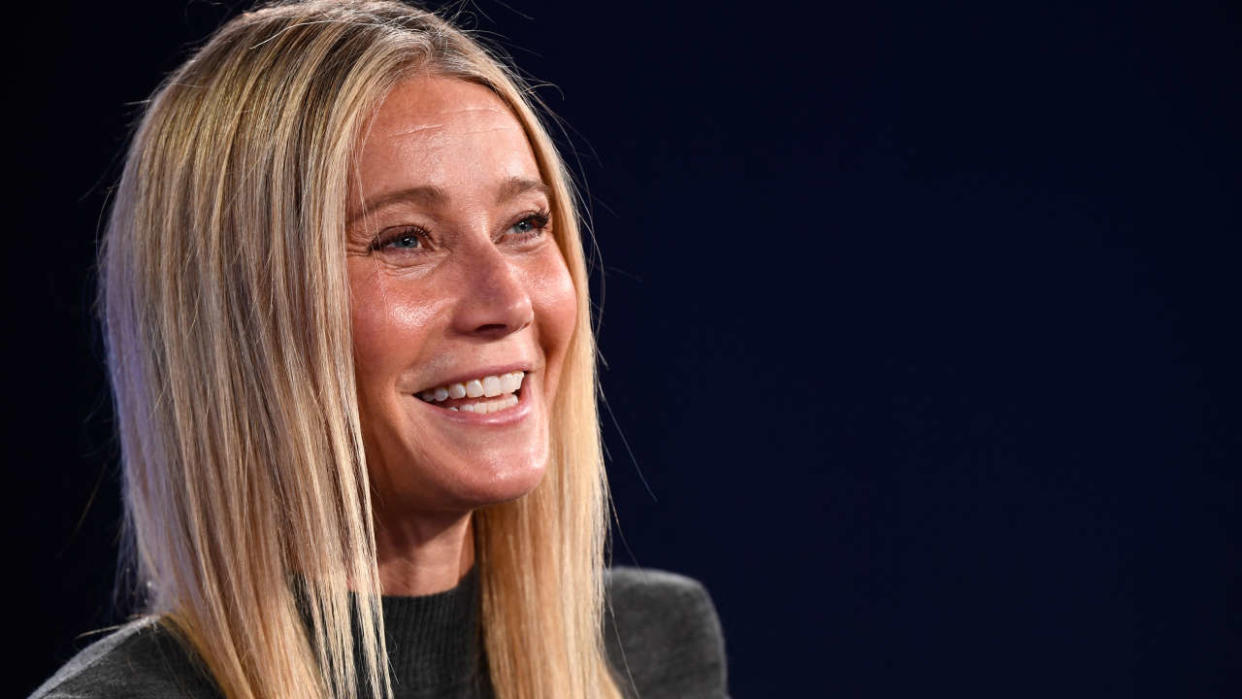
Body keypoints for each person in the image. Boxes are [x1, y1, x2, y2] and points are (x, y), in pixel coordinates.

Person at [30, 1, 727, 697]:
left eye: (524, 223)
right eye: (405, 239)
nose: (508, 301)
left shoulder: (651, 645)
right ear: (235, 319)